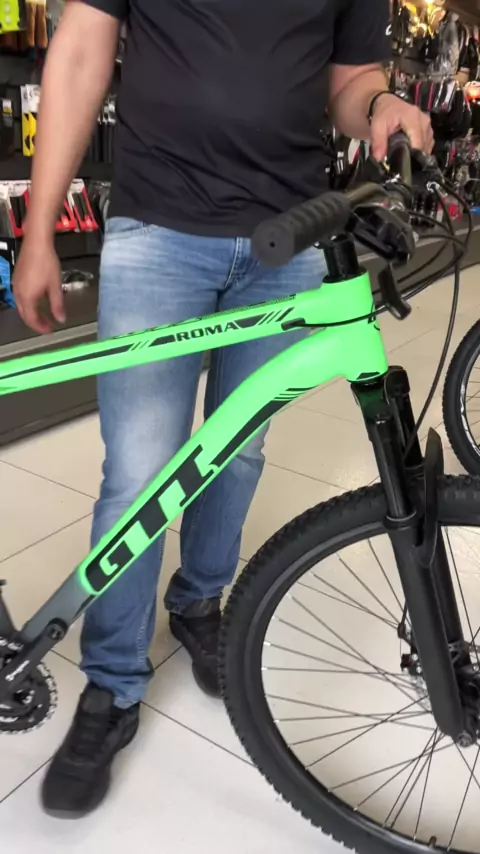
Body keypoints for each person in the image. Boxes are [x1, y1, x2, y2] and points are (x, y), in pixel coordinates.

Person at [13, 0, 432, 819]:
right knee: (140, 474)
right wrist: (38, 229)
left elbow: (349, 84)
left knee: (237, 452)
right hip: (158, 228)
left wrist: (381, 103)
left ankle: (199, 602)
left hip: (292, 236)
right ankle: (113, 683)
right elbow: (81, 53)